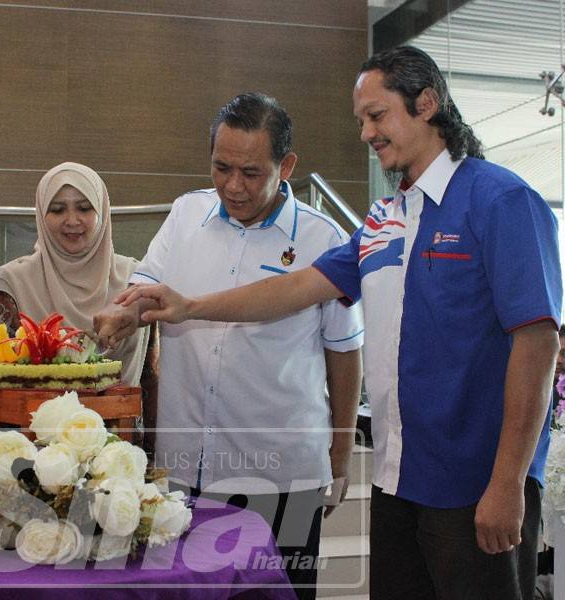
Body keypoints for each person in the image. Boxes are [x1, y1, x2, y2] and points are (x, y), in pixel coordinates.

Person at [109, 47, 562, 600]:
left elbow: (537, 344)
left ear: (427, 104)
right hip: (399, 480)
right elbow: (293, 289)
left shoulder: (503, 200)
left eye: (377, 115)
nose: (366, 133)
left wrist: (510, 481)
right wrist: (188, 307)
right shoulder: (385, 217)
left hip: (475, 483)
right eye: (360, 120)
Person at [94, 93, 364, 598]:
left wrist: (341, 459)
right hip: (184, 471)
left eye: (251, 173)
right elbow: (146, 288)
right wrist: (123, 313)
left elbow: (344, 353)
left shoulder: (323, 241)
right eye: (221, 167)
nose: (233, 186)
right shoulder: (185, 214)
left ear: (286, 166)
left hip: (280, 474)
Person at [0, 162, 153, 390]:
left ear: (101, 210)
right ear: (41, 214)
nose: (72, 220)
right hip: (34, 423)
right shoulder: (14, 281)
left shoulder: (135, 278)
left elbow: (151, 376)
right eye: (58, 209)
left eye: (84, 208)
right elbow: (1, 378)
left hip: (119, 423)